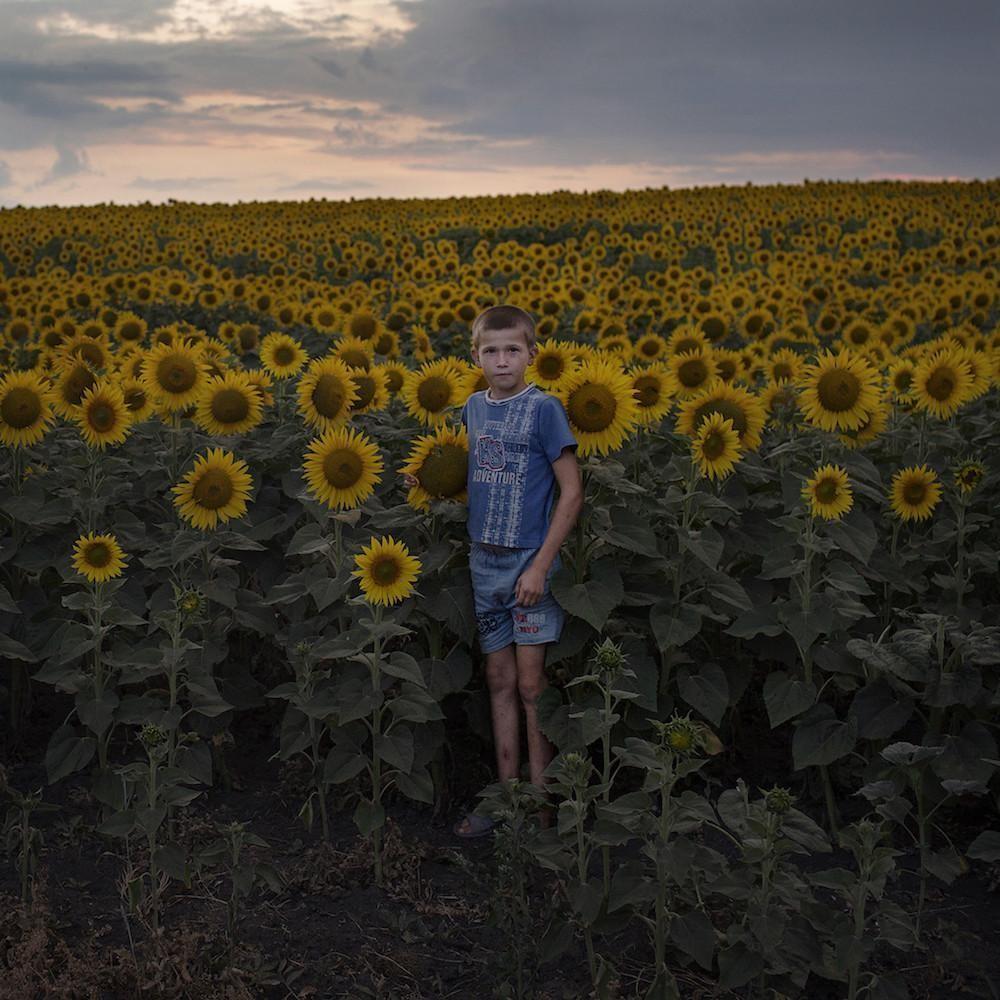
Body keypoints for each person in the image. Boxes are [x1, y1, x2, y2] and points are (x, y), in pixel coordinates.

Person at [454, 304, 583, 837]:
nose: (502, 360)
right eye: (491, 351)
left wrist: (542, 566)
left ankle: (543, 807)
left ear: (532, 354)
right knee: (498, 679)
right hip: (485, 563)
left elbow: (571, 492)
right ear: (476, 356)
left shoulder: (545, 409)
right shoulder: (472, 408)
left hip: (531, 568)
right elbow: (479, 474)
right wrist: (429, 482)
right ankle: (506, 800)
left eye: (513, 350)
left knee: (532, 686)